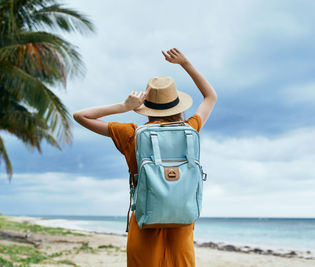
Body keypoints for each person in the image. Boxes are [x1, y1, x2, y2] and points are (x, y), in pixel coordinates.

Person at [73, 48, 217, 267]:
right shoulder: (190, 128)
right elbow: (211, 96)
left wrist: (123, 106)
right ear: (178, 105)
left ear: (147, 107)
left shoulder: (131, 133)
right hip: (182, 225)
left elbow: (80, 116)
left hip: (145, 222)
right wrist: (185, 63)